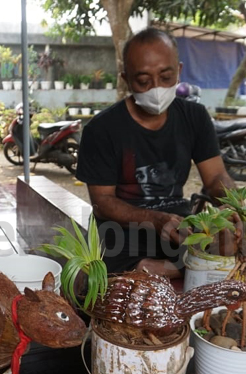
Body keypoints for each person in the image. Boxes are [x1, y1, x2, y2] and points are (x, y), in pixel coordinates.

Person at [76, 28, 237, 278]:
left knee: (240, 246)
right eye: (143, 80)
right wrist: (155, 219)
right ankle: (190, 269)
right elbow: (102, 202)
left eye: (165, 76)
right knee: (141, 271)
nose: (156, 88)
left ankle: (189, 269)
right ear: (126, 79)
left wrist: (231, 203)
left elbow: (216, 177)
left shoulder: (194, 117)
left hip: (180, 225)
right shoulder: (101, 129)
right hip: (121, 232)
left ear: (179, 71)